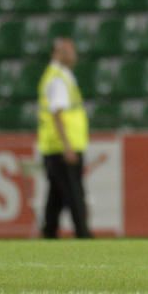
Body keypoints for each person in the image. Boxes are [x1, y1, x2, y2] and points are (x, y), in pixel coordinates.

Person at [37, 38, 92, 239]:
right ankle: (84, 235)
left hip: (54, 147)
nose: (73, 55)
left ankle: (49, 233)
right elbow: (57, 114)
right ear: (57, 53)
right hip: (63, 147)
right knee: (74, 195)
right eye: (69, 51)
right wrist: (67, 146)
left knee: (56, 197)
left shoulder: (58, 75)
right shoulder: (58, 78)